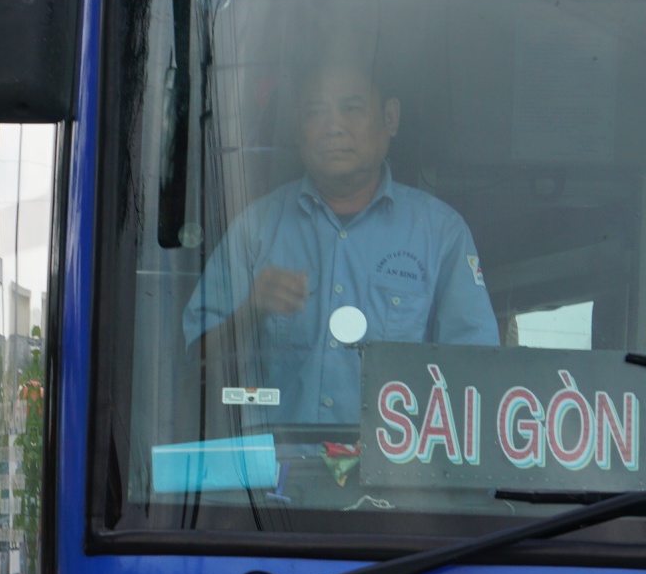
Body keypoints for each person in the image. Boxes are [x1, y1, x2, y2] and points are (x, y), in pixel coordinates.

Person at [183, 54, 499, 425]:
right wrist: (251, 310)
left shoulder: (440, 234)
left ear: (390, 118)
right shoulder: (255, 229)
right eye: (315, 112)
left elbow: (476, 378)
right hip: (274, 463)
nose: (333, 127)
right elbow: (190, 367)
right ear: (297, 127)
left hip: (397, 462)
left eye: (351, 108)